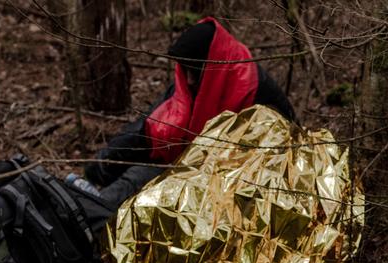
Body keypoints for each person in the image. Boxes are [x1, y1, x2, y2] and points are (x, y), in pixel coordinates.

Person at [83, 17, 296, 208]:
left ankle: (94, 213)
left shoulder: (255, 95)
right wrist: (103, 166)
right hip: (184, 168)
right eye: (186, 70)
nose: (190, 79)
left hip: (225, 188)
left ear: (213, 65)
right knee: (137, 177)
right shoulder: (192, 82)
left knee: (144, 182)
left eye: (195, 71)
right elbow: (150, 130)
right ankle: (90, 209)